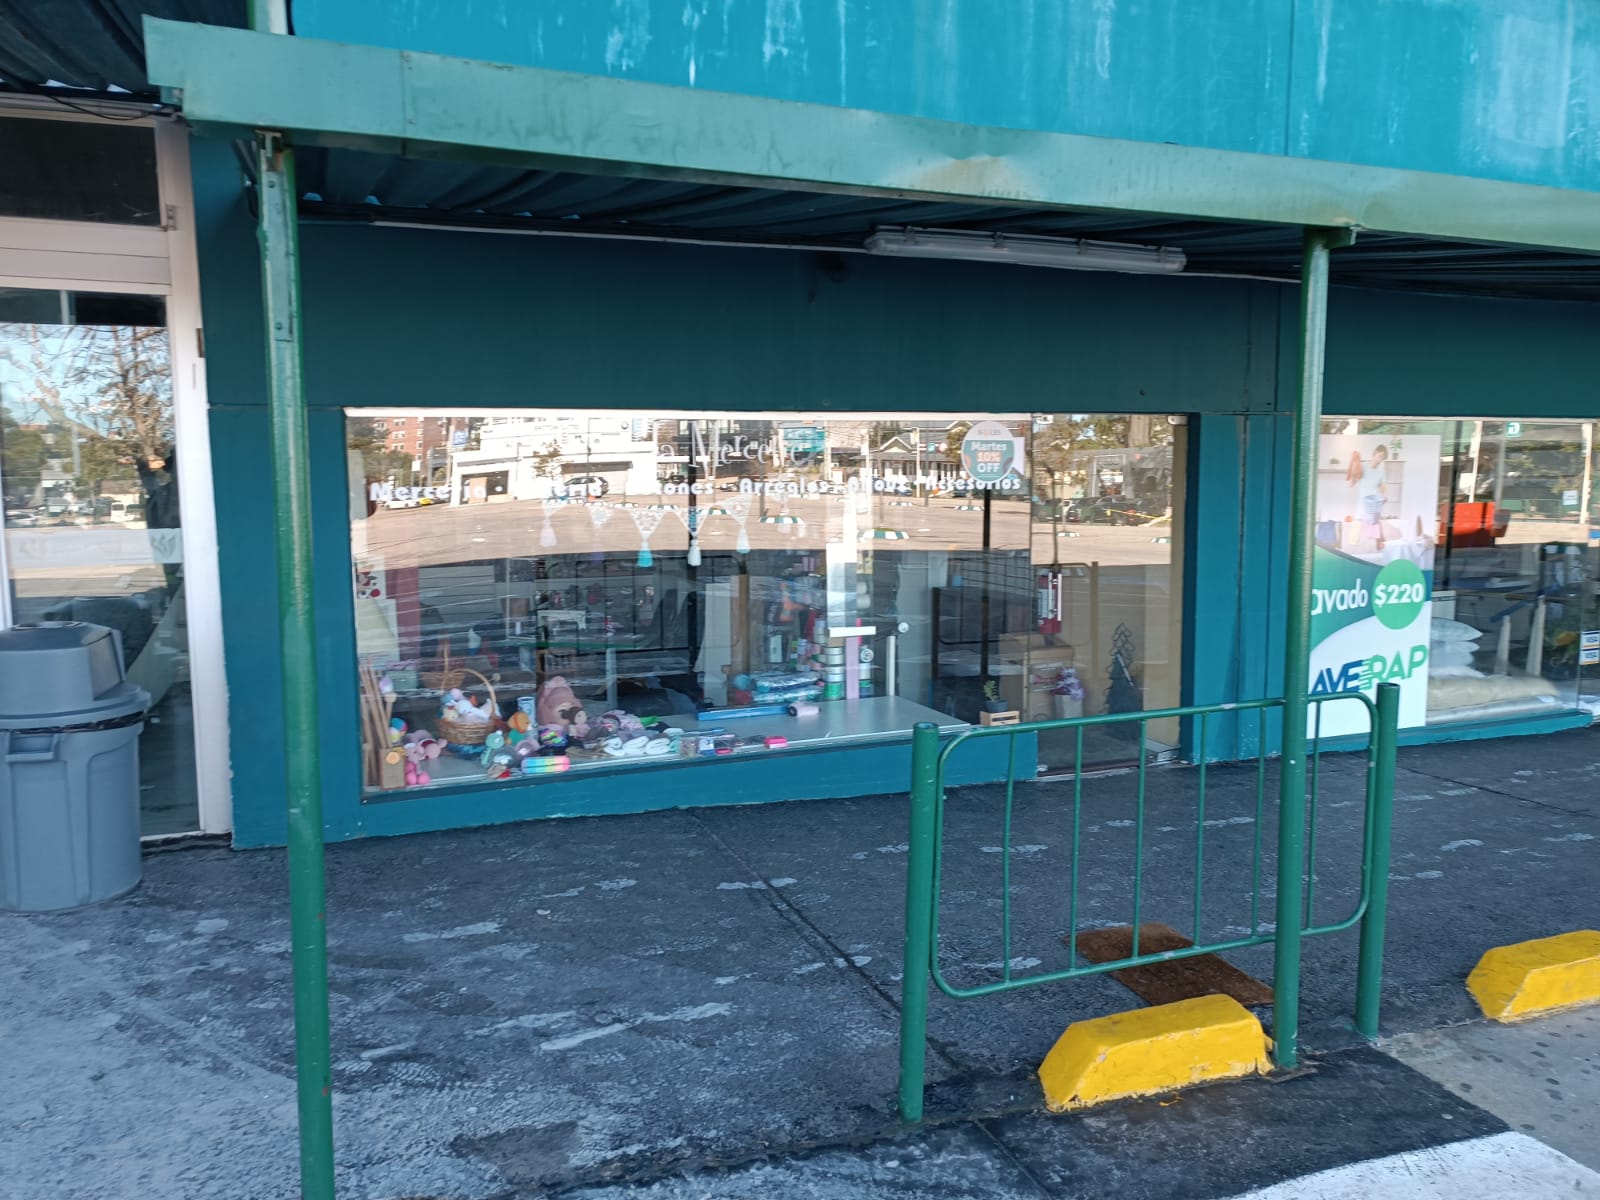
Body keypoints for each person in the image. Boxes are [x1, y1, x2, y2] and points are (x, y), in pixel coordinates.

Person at [1345, 444, 1388, 550]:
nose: (1380, 459)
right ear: (1374, 454)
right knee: (1356, 528)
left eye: (1383, 458)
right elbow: (1351, 484)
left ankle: (1379, 547)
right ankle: (1350, 551)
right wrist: (1353, 472)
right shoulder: (1362, 466)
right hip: (1362, 503)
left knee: (1375, 529)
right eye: (1380, 456)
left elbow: (1383, 488)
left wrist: (1384, 497)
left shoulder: (1381, 471)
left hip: (1374, 504)